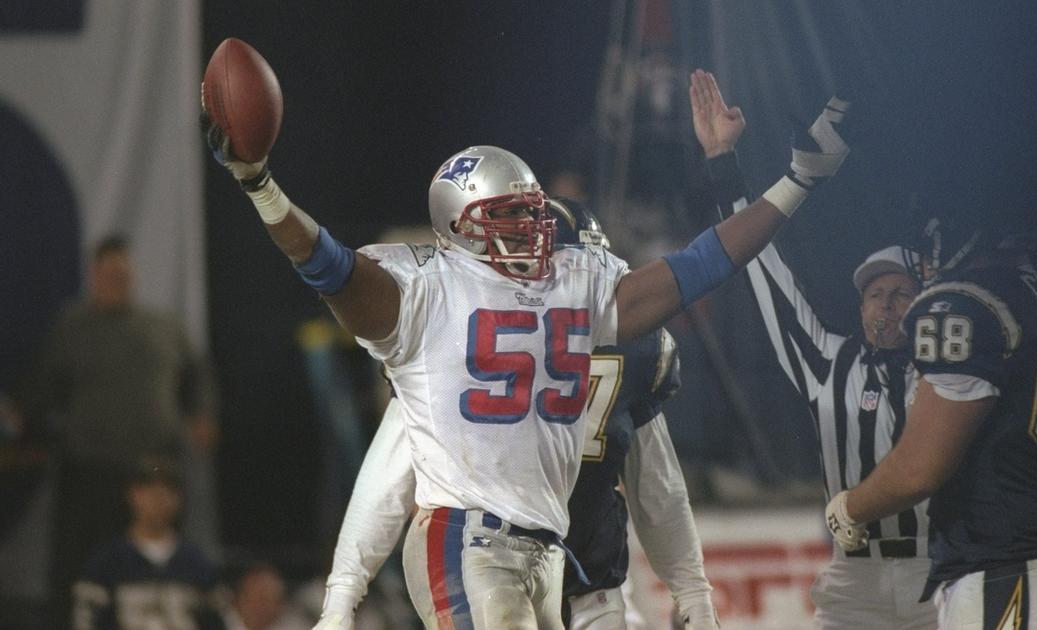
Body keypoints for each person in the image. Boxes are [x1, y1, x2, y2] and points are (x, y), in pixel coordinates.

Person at [203, 67, 850, 629]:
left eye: (534, 212)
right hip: (462, 535)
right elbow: (328, 265)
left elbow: (702, 264)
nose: (534, 229)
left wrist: (796, 184)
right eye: (509, 216)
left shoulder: (579, 284)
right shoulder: (427, 292)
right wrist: (261, 187)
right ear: (460, 227)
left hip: (549, 550)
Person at [307, 198, 718, 630]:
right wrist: (343, 595)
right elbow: (388, 478)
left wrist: (694, 595)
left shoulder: (628, 348)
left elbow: (657, 486)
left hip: (587, 583)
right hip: (501, 569)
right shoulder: (473, 343)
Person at [688, 70, 935, 629]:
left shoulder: (953, 363)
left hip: (939, 569)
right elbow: (762, 273)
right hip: (855, 575)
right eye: (875, 294)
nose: (886, 306)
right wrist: (723, 162)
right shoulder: (829, 360)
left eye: (900, 294)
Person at [824, 219, 1037, 628]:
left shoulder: (965, 303)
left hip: (1011, 570)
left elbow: (920, 470)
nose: (929, 262)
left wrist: (848, 508)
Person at [12, 234, 219, 620]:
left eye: (123, 274)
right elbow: (41, 391)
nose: (116, 281)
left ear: (133, 276)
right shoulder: (71, 328)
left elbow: (197, 377)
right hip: (90, 469)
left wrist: (202, 414)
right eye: (108, 274)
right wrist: (21, 420)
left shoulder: (163, 326)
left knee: (164, 556)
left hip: (155, 469)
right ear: (94, 276)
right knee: (80, 563)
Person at [72, 457, 223, 630]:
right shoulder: (107, 562)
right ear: (133, 494)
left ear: (179, 499)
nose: (159, 500)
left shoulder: (196, 563)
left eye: (168, 491)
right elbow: (86, 621)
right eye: (151, 491)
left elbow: (217, 621)